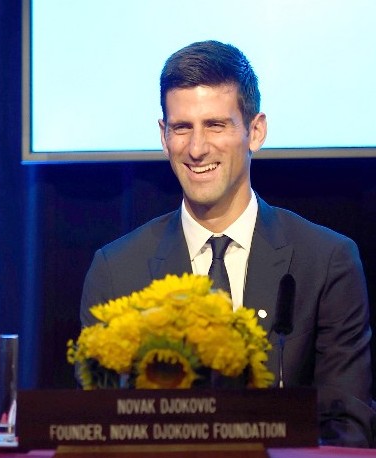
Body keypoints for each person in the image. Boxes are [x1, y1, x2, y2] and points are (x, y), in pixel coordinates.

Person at [80, 40, 373, 447]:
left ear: (256, 131)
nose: (197, 149)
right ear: (164, 136)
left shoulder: (325, 261)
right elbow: (99, 433)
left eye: (216, 125)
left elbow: (348, 430)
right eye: (182, 128)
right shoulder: (118, 270)